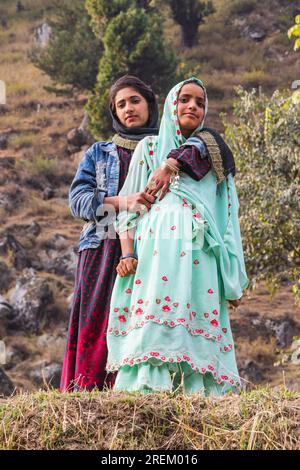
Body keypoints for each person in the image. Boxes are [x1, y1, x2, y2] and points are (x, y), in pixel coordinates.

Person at [106, 77, 249, 395]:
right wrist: (128, 252)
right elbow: (129, 207)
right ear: (172, 104)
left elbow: (228, 218)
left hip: (202, 253)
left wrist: (233, 274)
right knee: (158, 311)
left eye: (200, 102)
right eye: (185, 99)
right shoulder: (150, 148)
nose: (193, 107)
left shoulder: (214, 156)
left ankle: (196, 389)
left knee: (195, 312)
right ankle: (149, 385)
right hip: (158, 252)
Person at [60, 75, 159, 392]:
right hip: (102, 246)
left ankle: (134, 389)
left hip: (153, 247)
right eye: (121, 104)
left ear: (149, 105)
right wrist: (122, 201)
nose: (129, 108)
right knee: (97, 319)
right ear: (114, 114)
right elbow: (78, 201)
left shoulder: (166, 153)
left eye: (134, 100)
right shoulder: (99, 153)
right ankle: (88, 389)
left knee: (142, 317)